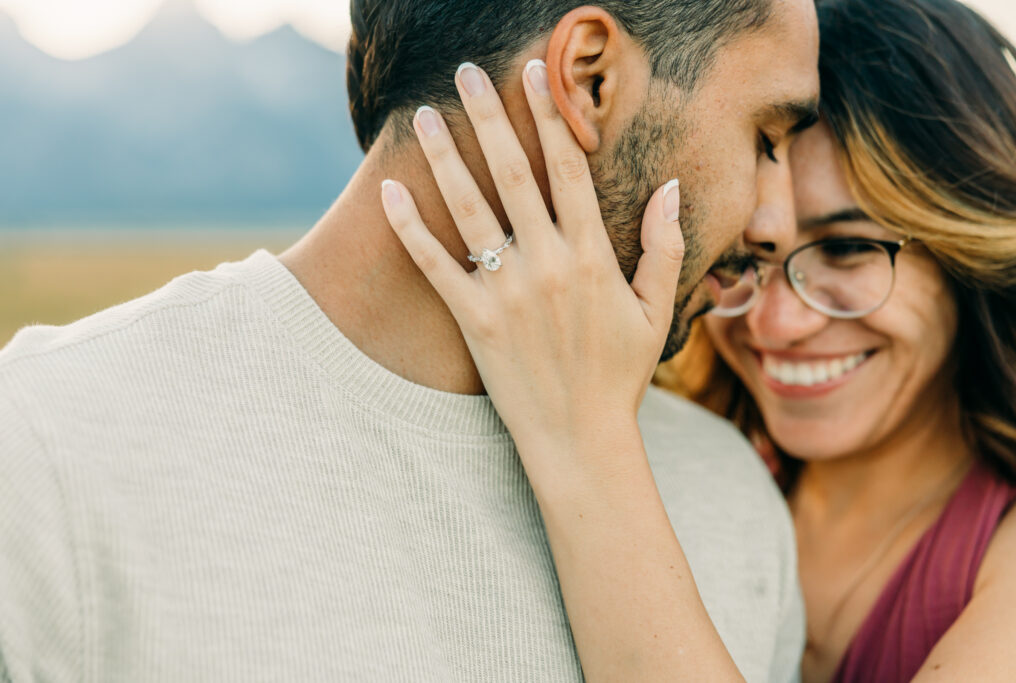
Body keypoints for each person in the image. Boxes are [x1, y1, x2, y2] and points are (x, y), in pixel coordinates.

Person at [0, 0, 819, 680]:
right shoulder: (44, 453)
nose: (781, 222)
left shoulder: (731, 504)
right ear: (589, 78)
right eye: (768, 138)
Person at [389, 0, 1016, 680]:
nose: (777, 323)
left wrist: (585, 435)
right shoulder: (697, 468)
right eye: (742, 260)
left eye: (846, 249)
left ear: (969, 247)